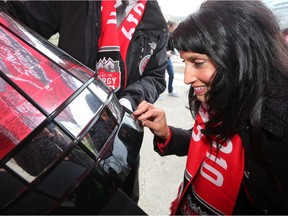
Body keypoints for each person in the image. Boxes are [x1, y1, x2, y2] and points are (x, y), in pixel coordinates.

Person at [1, 0, 167, 209]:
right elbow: (16, 16)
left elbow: (156, 75)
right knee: (68, 197)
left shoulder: (155, 20)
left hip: (121, 126)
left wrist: (129, 100)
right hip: (68, 124)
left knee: (118, 198)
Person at [133, 0, 288, 215]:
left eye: (197, 63)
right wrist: (167, 133)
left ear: (238, 55)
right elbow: (208, 141)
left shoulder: (277, 128)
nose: (187, 78)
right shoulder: (226, 97)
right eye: (184, 62)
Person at [166, 20, 179, 97]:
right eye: (174, 26)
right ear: (169, 26)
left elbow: (172, 47)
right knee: (160, 77)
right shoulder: (163, 34)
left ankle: (170, 90)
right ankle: (157, 93)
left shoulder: (172, 35)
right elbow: (158, 48)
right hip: (161, 59)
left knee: (171, 74)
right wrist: (165, 53)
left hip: (168, 59)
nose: (175, 28)